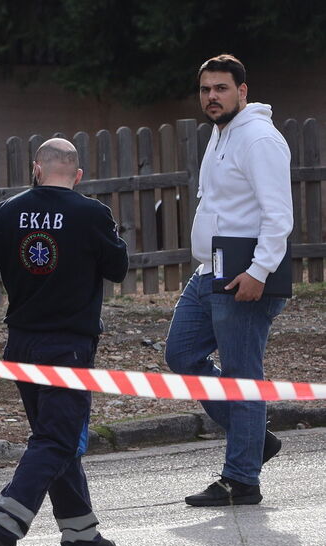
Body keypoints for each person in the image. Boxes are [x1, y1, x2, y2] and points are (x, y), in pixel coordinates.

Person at [0, 138, 129, 546]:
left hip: (22, 344)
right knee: (57, 439)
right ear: (76, 175)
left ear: (37, 169)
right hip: (68, 346)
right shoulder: (92, 213)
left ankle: (81, 535)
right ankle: (2, 525)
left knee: (57, 439)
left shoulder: (5, 212)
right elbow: (118, 269)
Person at [165, 54, 292, 507]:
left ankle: (241, 480)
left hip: (244, 277)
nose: (212, 97)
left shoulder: (258, 138)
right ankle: (254, 440)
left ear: (243, 90)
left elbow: (279, 216)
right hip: (210, 273)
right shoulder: (220, 135)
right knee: (181, 354)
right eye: (205, 90)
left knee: (242, 378)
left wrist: (259, 271)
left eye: (221, 88)